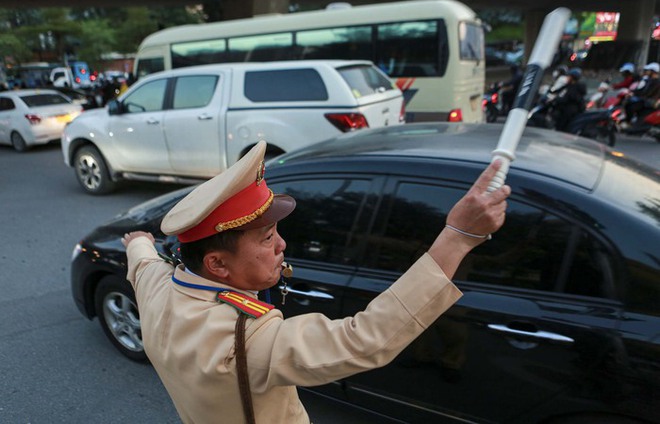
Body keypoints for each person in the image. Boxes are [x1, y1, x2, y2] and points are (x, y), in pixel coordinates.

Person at [122, 141, 510, 424]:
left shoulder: (158, 287)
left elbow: (142, 261)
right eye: (267, 238)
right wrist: (457, 238)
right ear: (217, 264)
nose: (282, 244)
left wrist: (137, 242)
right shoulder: (245, 338)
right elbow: (363, 339)